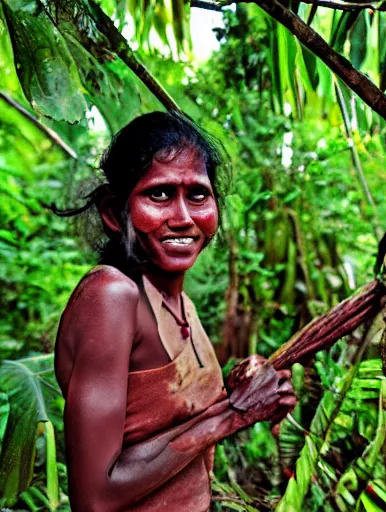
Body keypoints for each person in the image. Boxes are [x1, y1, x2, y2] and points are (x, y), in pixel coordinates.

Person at [54, 111, 296, 511]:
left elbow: (170, 425)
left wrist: (242, 394)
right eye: (160, 194)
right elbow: (94, 497)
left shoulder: (182, 304)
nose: (183, 218)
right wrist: (233, 414)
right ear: (115, 212)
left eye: (198, 195)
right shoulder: (112, 297)